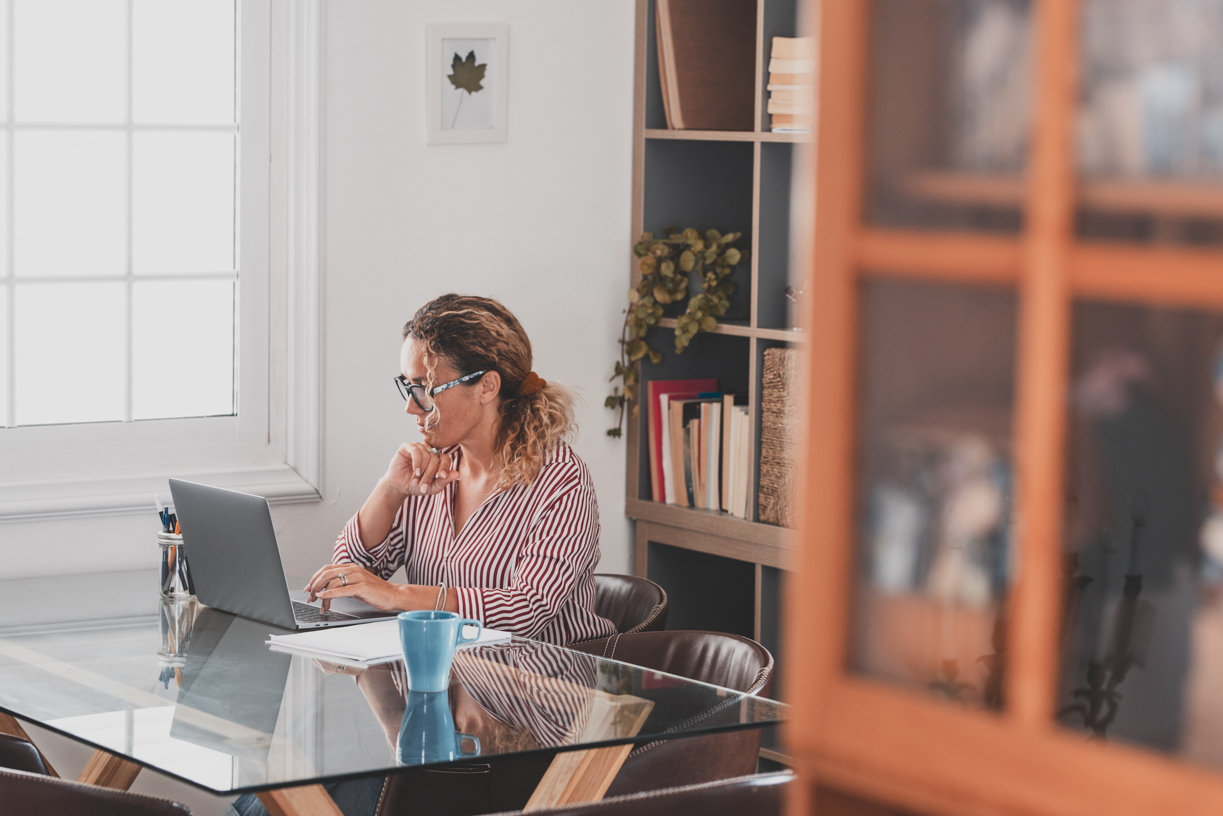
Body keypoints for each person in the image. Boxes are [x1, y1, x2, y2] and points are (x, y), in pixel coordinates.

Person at [226, 295, 614, 816]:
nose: (411, 408)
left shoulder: (560, 481)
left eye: (425, 390)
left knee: (308, 796)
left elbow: (526, 611)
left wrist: (396, 596)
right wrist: (390, 490)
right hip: (431, 712)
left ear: (487, 386)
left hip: (525, 727)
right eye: (407, 388)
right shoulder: (433, 467)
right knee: (270, 786)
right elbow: (345, 575)